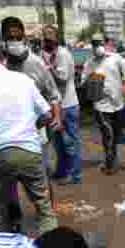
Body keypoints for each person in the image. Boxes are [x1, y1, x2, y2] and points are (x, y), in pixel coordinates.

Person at [0, 44, 58, 235]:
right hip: (31, 151)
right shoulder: (23, 79)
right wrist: (32, 128)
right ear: (6, 61)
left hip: (2, 154)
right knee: (44, 209)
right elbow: (48, 114)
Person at [1, 17, 62, 226]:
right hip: (6, 134)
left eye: (19, 37)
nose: (15, 41)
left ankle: (47, 216)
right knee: (7, 183)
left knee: (42, 178)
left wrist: (57, 117)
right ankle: (14, 219)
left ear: (25, 38)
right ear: (3, 40)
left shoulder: (36, 64)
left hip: (36, 133)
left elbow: (53, 94)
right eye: (11, 38)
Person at [80, 33, 125, 175]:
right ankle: (110, 164)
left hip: (118, 102)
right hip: (101, 105)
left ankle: (113, 159)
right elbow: (83, 82)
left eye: (100, 43)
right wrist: (93, 79)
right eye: (95, 44)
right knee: (107, 134)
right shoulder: (89, 63)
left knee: (116, 134)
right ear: (92, 46)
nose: (98, 46)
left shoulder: (116, 58)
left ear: (105, 43)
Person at [41, 25, 83, 185]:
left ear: (56, 39)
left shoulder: (63, 54)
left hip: (68, 105)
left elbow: (62, 79)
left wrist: (49, 68)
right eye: (45, 39)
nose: (47, 42)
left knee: (71, 142)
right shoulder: (48, 54)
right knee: (58, 143)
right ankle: (62, 171)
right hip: (55, 106)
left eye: (50, 40)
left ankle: (75, 175)